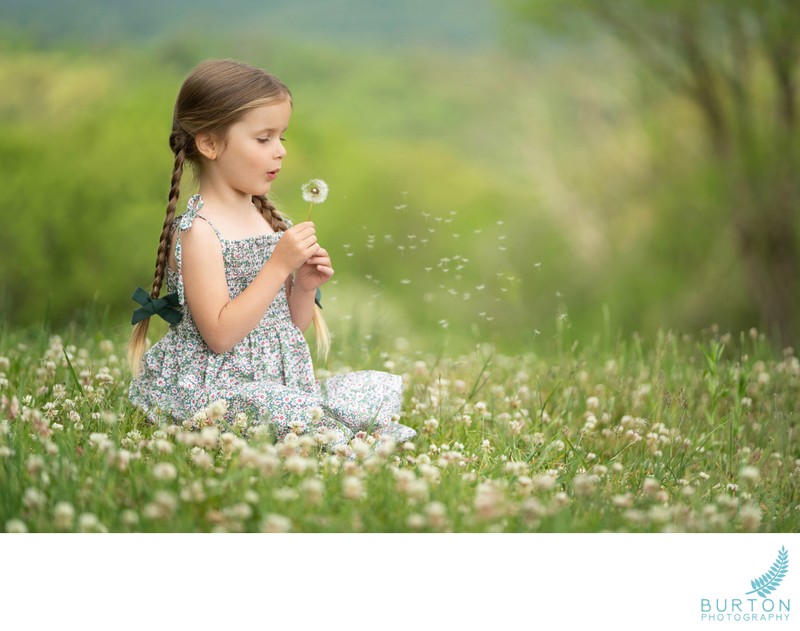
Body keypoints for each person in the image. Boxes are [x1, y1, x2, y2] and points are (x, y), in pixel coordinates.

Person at [127, 59, 416, 448]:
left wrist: (303, 287)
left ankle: (321, 429)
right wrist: (278, 266)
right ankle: (326, 434)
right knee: (288, 410)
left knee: (365, 390)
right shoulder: (200, 231)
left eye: (282, 138)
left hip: (273, 384)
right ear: (210, 143)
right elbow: (220, 335)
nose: (279, 151)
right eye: (263, 139)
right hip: (218, 391)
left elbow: (284, 330)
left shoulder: (265, 219)